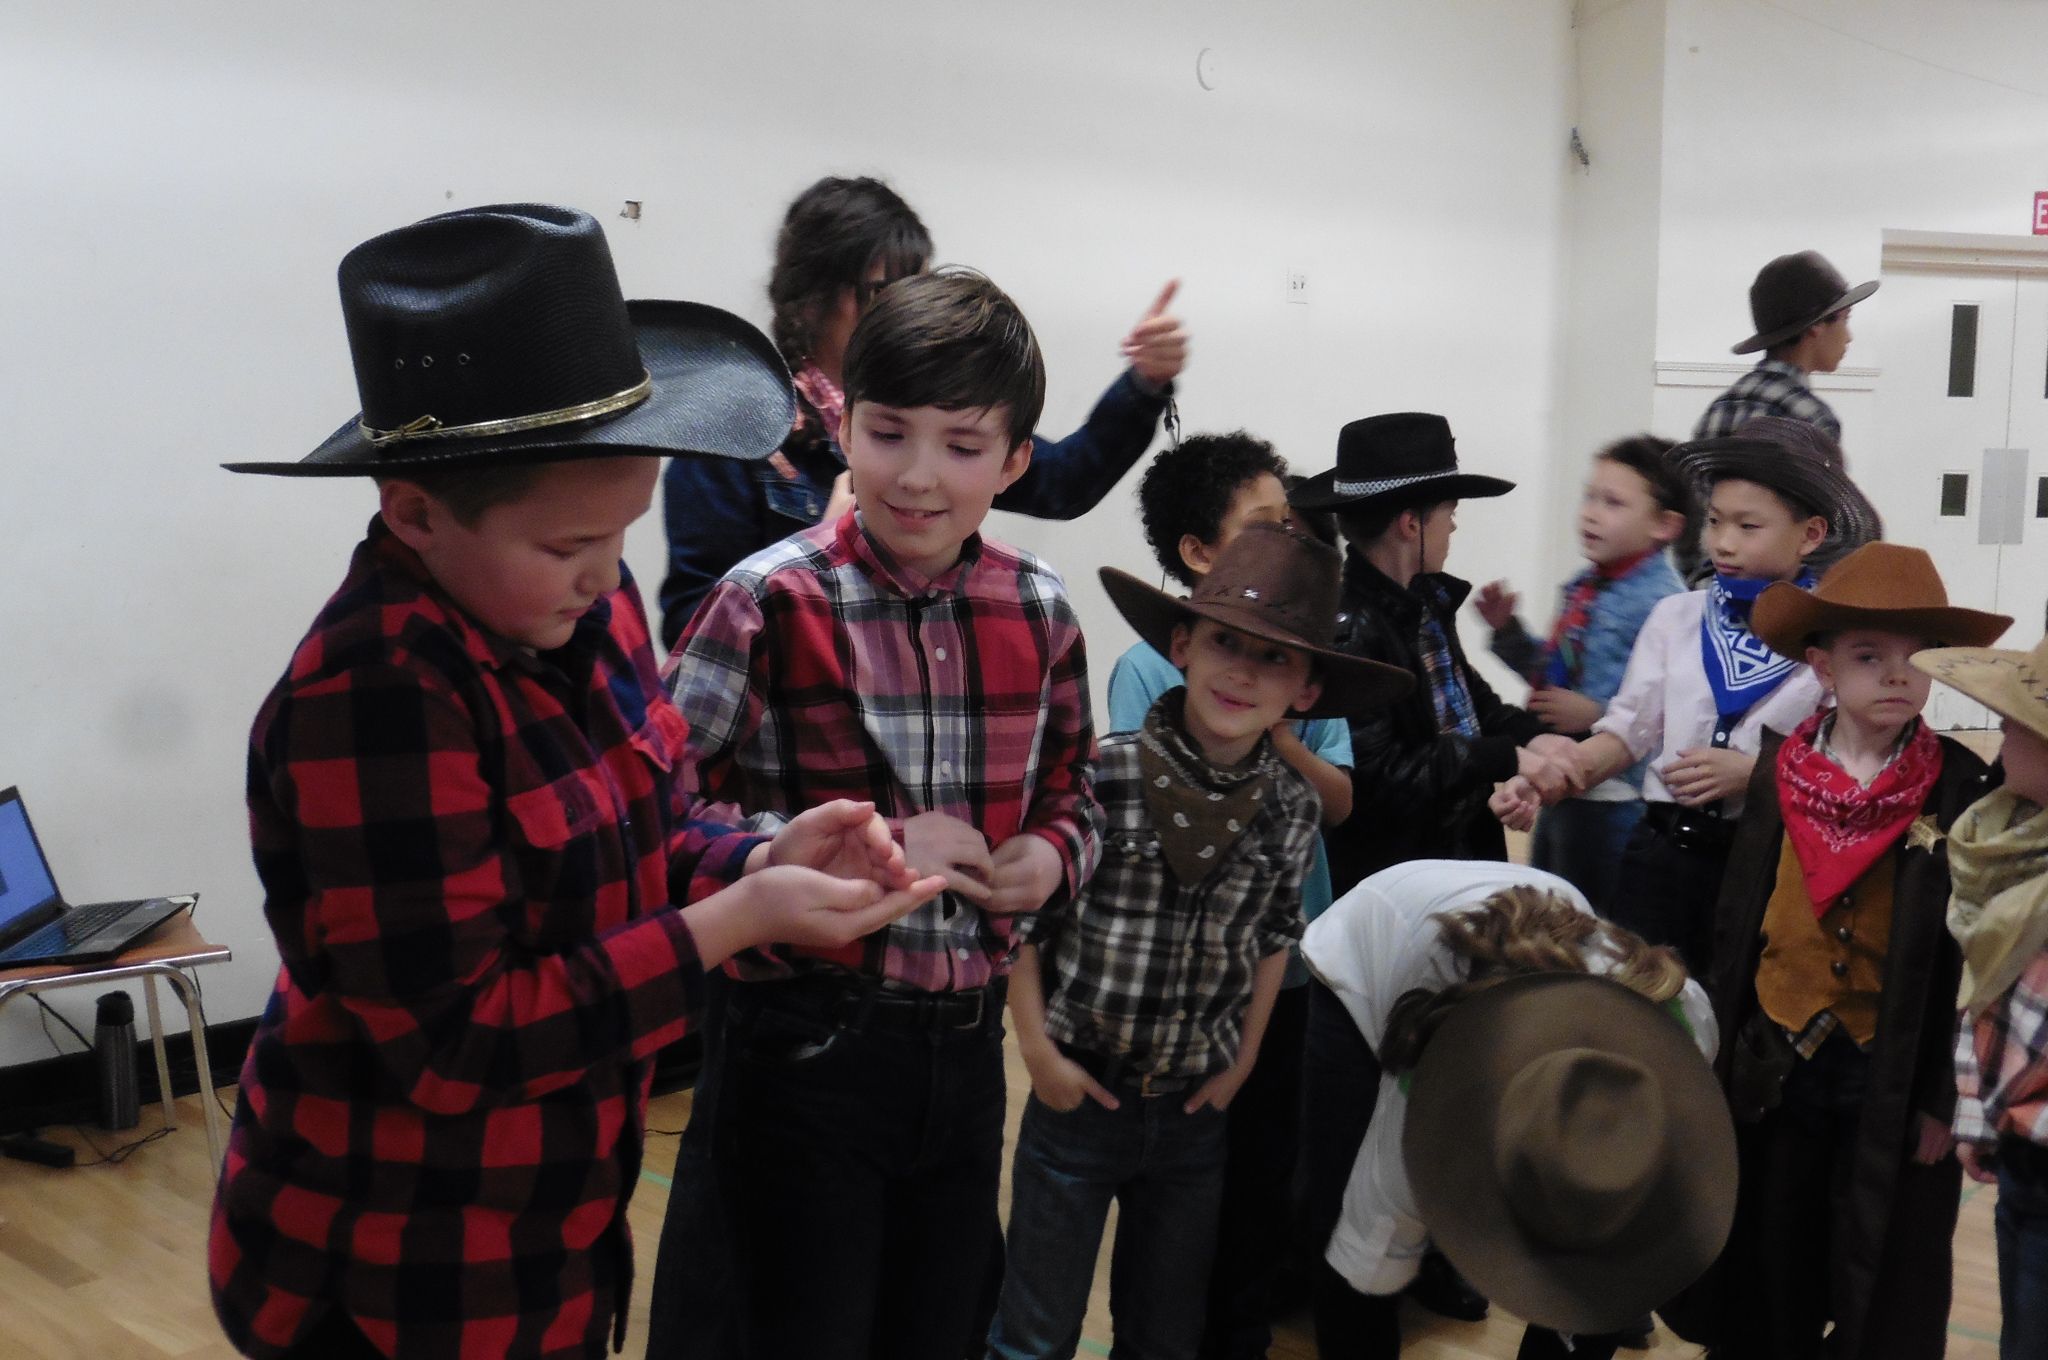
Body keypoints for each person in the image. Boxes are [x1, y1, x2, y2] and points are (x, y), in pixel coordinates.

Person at [207, 205, 945, 1360]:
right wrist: (734, 920)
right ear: (414, 512)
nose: (605, 577)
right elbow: (460, 1042)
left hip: (558, 1227)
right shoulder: (375, 696)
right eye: (566, 548)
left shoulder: (584, 609)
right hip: (402, 1271)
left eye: (623, 535)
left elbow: (655, 818)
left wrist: (757, 856)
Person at [662, 269, 1103, 1360]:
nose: (916, 474)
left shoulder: (1040, 608)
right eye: (888, 431)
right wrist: (795, 854)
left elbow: (1075, 788)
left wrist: (1052, 856)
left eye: (962, 444)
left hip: (965, 1054)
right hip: (801, 1045)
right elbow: (653, 811)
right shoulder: (768, 598)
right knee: (792, 1329)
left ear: (1014, 461)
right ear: (842, 426)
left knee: (939, 1325)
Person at [986, 521, 1410, 1360]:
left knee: (1165, 1335)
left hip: (1191, 1116)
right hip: (1079, 1093)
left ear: (1307, 691)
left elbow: (1275, 938)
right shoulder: (1102, 773)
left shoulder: (1291, 808)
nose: (1242, 672)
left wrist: (1243, 1062)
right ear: (1181, 645)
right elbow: (1028, 920)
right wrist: (1035, 1047)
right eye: (1225, 642)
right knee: (1034, 1332)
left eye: (1274, 658)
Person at [656, 175, 1189, 645]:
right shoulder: (735, 430)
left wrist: (1143, 383)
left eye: (961, 447)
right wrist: (819, 560)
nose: (918, 476)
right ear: (812, 296)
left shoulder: (1036, 598)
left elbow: (1064, 483)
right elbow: (693, 630)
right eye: (881, 291)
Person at [1701, 544, 2008, 1360]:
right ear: (1823, 668)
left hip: (1893, 1073)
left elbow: (1978, 960)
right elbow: (1738, 923)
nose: (1896, 675)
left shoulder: (1960, 789)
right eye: (1869, 656)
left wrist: (1947, 1098)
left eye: (1916, 658)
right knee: (1775, 1250)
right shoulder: (1776, 775)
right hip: (1779, 1059)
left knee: (1882, 1264)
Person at [1103, 436, 1356, 1359]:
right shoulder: (1146, 669)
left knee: (1259, 1174)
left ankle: (1236, 1332)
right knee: (1171, 1181)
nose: (1288, 535)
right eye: (1264, 522)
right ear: (1199, 552)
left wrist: (1276, 729)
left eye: (1291, 522)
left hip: (1284, 971)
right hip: (1178, 978)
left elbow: (1338, 800)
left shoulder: (1301, 677)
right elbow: (1143, 817)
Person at [1297, 859, 1731, 1360]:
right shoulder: (1423, 1130)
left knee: (1601, 1288)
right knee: (1336, 1204)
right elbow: (1362, 1269)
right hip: (1375, 932)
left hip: (1543, 924)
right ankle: (1429, 1261)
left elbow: (1605, 1289)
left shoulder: (1685, 1036)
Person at [1496, 432, 1878, 978]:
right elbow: (1626, 733)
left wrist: (1757, 774)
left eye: (1748, 527)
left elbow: (1855, 769)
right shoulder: (1676, 617)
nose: (1723, 543)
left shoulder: (1832, 642)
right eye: (1715, 522)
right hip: (1660, 856)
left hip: (1764, 863)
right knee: (1641, 1000)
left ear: (1810, 535)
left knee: (1736, 1001)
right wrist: (1550, 776)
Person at [1288, 412, 1577, 897]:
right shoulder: (1350, 633)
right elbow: (1381, 779)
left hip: (1450, 854)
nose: (1454, 526)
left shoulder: (1423, 603)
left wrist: (1533, 737)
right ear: (1410, 524)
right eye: (1449, 513)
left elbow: (1469, 701)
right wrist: (1505, 757)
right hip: (1399, 881)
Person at [1474, 435, 1690, 910]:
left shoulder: (1666, 604)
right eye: (1589, 497)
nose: (1591, 513)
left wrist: (1597, 712)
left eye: (1613, 503)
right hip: (1561, 784)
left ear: (1665, 525)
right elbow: (1556, 677)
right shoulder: (1584, 586)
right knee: (1552, 911)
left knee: (1600, 922)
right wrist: (1508, 632)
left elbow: (1674, 703)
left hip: (1618, 798)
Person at [1913, 633, 2048, 1359]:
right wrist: (1979, 1118)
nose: (2000, 727)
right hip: (2024, 1160)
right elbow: (1996, 1011)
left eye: (2019, 720)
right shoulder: (2015, 845)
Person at [1693, 250, 1876, 442]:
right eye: (1845, 319)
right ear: (1817, 325)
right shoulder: (1812, 419)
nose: (1849, 337)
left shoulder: (1717, 411)